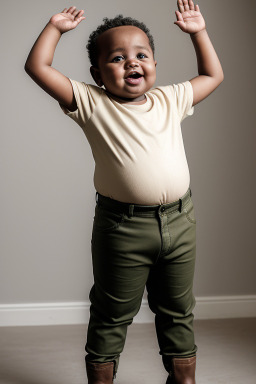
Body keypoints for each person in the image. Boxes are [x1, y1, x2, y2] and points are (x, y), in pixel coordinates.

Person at [24, 1, 224, 383]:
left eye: (141, 54)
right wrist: (54, 28)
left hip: (180, 221)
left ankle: (184, 378)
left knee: (178, 309)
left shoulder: (170, 99)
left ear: (154, 65)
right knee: (113, 312)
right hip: (124, 229)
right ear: (96, 73)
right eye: (117, 58)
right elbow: (38, 68)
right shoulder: (91, 103)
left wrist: (198, 32)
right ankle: (102, 378)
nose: (132, 62)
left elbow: (213, 75)